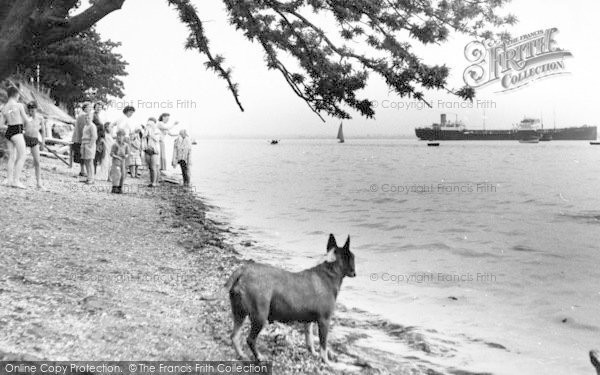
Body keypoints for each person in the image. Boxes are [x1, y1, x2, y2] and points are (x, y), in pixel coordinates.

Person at [1, 86, 29, 189]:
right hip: (17, 131)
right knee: (22, 155)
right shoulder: (19, 105)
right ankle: (16, 181)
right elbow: (26, 120)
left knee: (11, 157)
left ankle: (9, 180)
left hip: (9, 131)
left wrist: (10, 125)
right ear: (16, 94)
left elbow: (0, 125)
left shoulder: (4, 107)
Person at [24, 101, 46, 189]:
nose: (31, 112)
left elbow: (43, 131)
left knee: (37, 161)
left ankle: (38, 182)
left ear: (36, 110)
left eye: (33, 110)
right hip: (25, 138)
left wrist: (43, 142)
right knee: (20, 158)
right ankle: (15, 177)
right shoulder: (26, 118)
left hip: (34, 139)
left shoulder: (40, 118)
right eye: (30, 110)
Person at [71, 103, 90, 178]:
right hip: (80, 139)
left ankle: (83, 170)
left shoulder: (81, 115)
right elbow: (83, 128)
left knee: (81, 155)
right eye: (89, 107)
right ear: (85, 108)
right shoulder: (83, 116)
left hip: (78, 138)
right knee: (82, 155)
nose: (90, 109)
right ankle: (82, 171)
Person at [80, 104, 97, 184]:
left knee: (90, 162)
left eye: (89, 118)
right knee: (86, 161)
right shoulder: (85, 126)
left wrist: (90, 145)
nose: (87, 119)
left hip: (89, 145)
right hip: (84, 144)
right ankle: (88, 177)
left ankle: (91, 178)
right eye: (86, 118)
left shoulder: (92, 126)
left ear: (91, 118)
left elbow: (94, 136)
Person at [110, 129, 130, 194]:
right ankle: (115, 187)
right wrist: (117, 157)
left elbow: (127, 153)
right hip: (116, 161)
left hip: (123, 161)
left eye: (121, 136)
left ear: (124, 137)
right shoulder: (115, 145)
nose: (119, 137)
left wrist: (125, 156)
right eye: (118, 136)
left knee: (123, 174)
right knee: (117, 174)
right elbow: (111, 154)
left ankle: (120, 187)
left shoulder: (125, 145)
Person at [142, 118, 160, 187]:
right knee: (150, 167)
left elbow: (157, 139)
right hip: (147, 150)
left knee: (153, 167)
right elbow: (143, 140)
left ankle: (154, 182)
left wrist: (150, 134)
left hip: (154, 151)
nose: (148, 126)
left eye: (150, 125)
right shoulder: (145, 132)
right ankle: (151, 181)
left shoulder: (156, 131)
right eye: (147, 125)